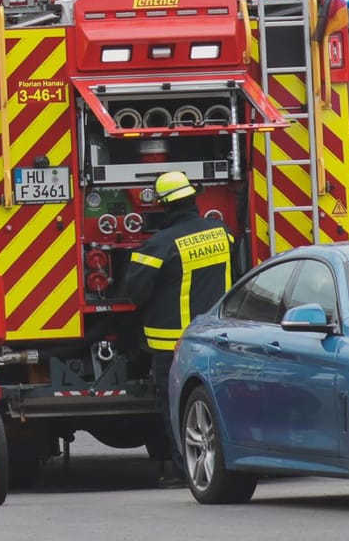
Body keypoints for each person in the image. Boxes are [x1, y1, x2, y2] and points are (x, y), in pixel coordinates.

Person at [120, 170, 237, 488]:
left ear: (164, 206)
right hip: (217, 337)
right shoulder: (222, 233)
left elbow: (134, 293)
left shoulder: (158, 247)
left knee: (177, 406)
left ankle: (184, 470)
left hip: (175, 344)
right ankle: (224, 464)